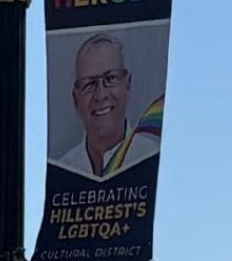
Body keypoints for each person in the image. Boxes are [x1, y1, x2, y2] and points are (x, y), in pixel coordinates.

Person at [55, 34, 160, 179]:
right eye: (89, 84)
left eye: (111, 78)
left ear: (127, 83)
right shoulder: (62, 172)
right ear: (76, 99)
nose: (101, 94)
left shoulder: (151, 158)